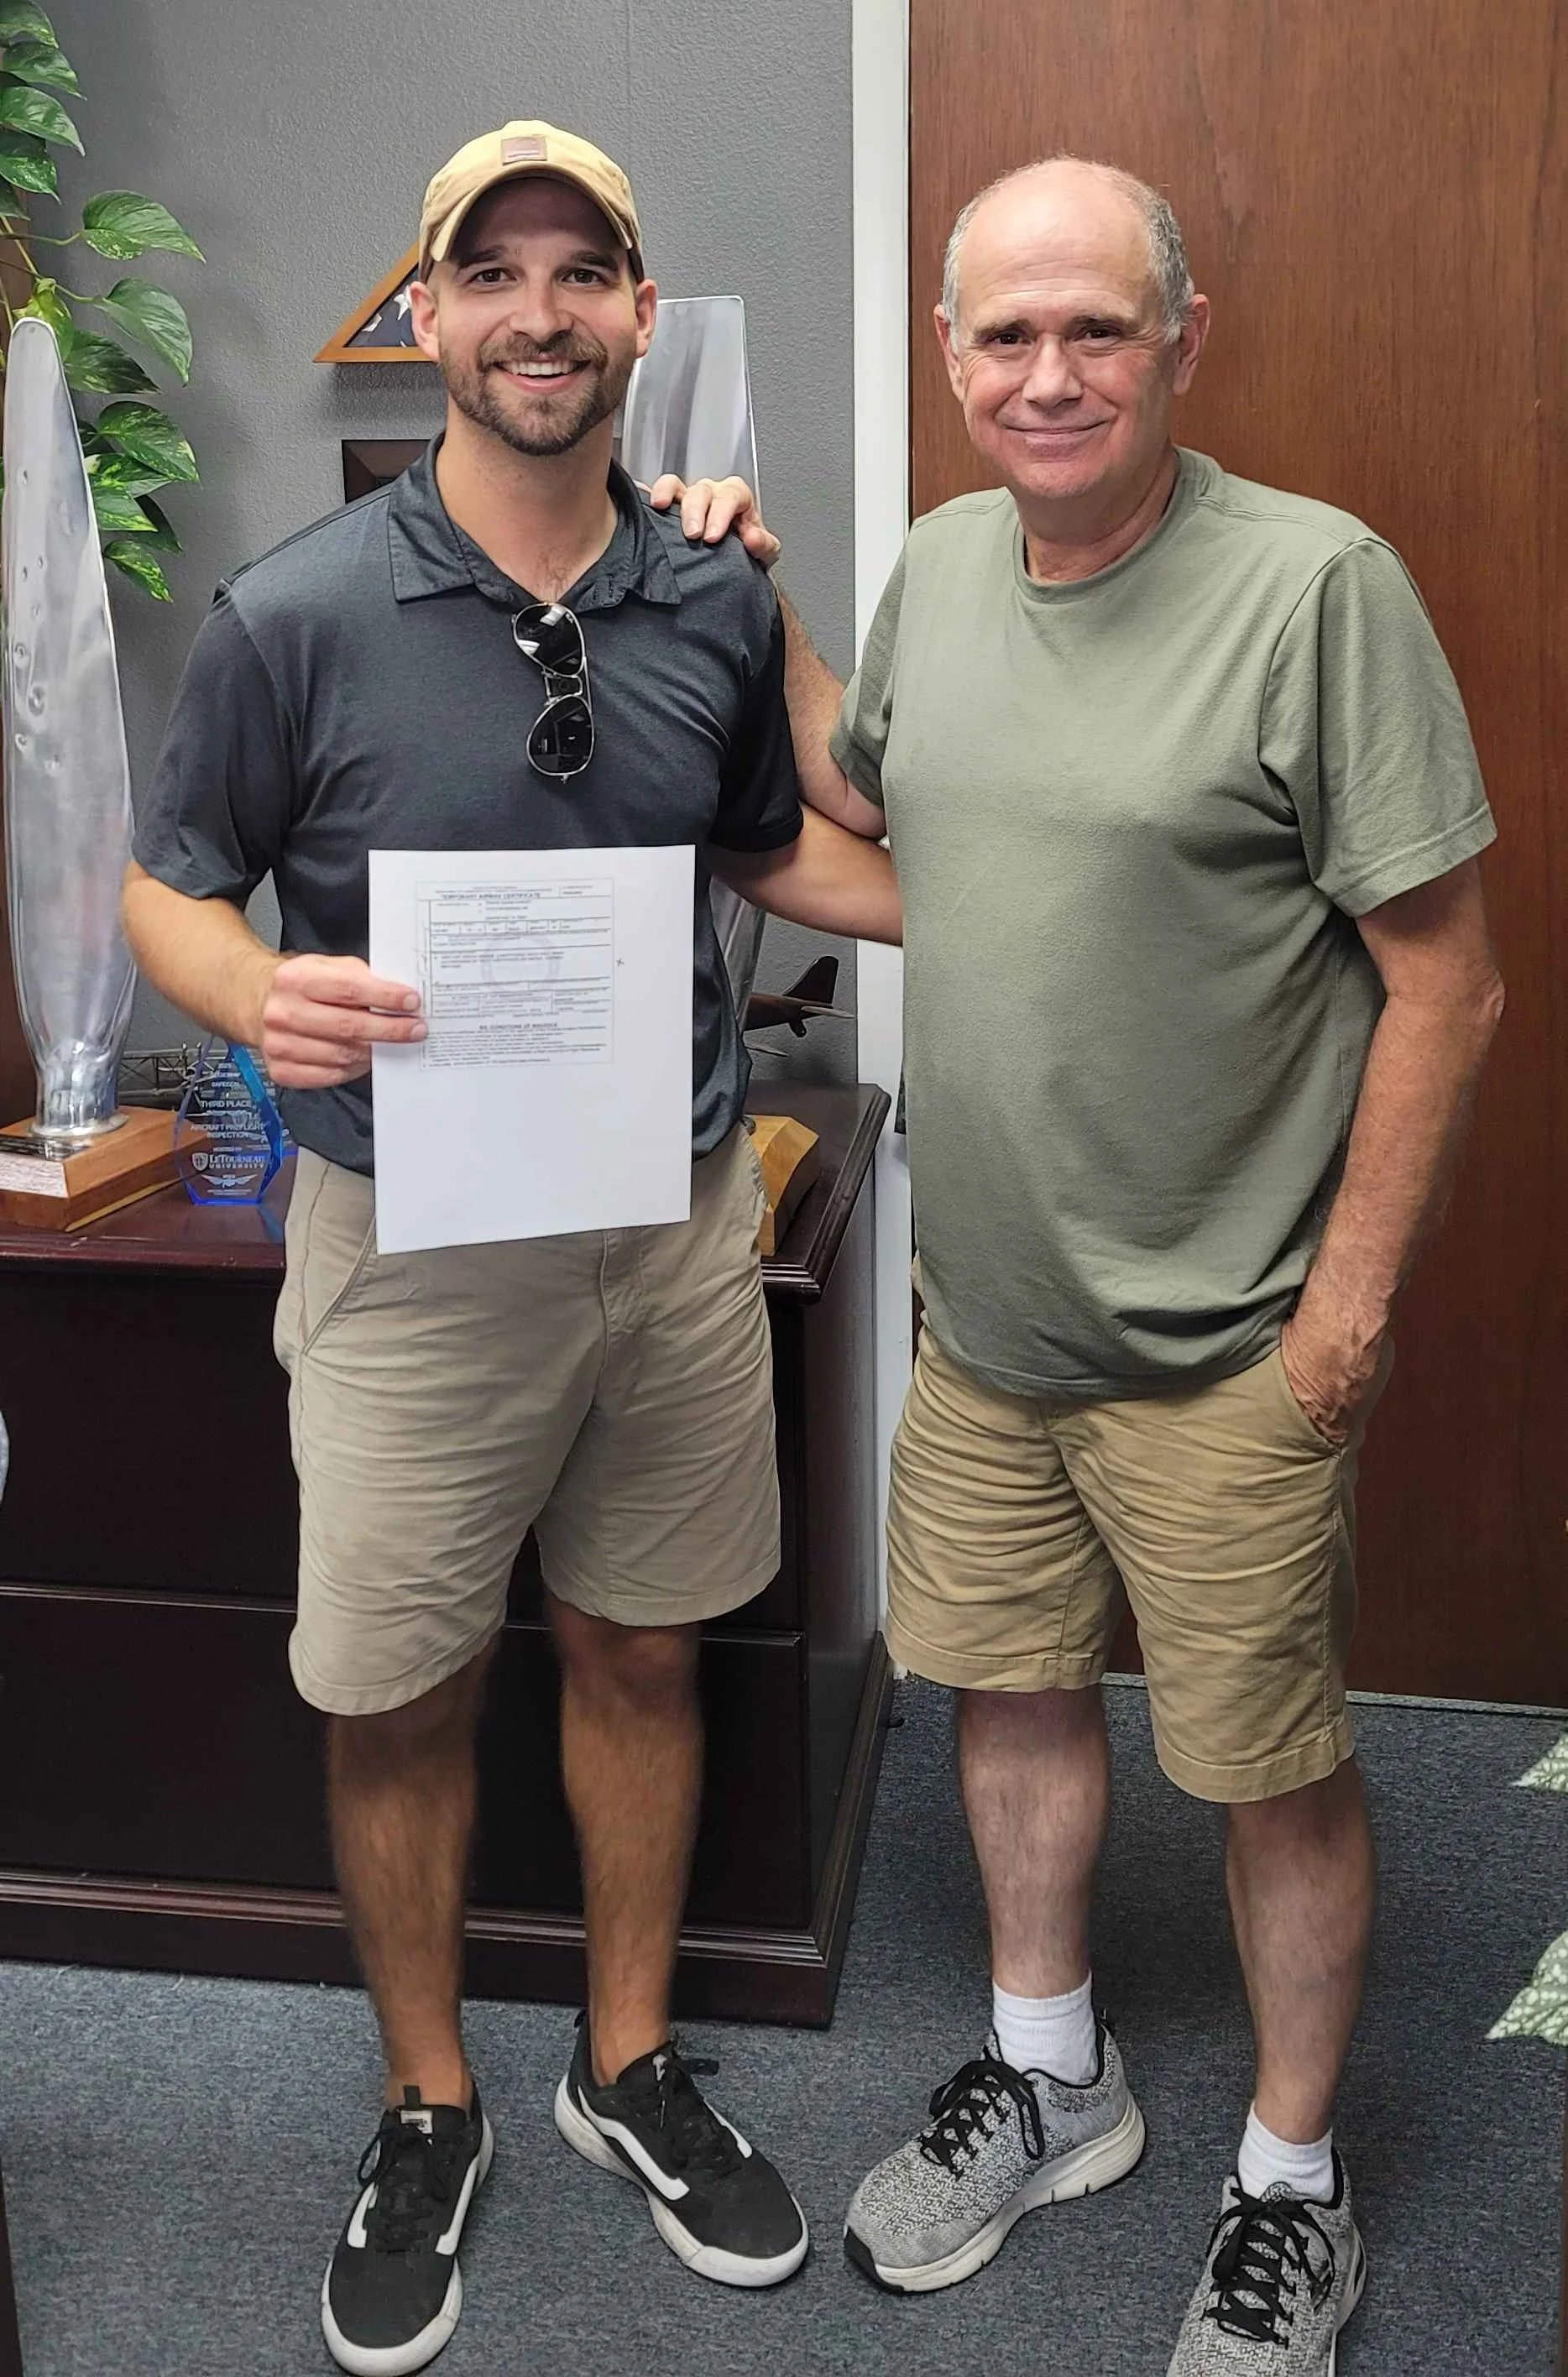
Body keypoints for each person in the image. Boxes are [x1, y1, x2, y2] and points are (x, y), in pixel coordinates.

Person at [668, 154, 1503, 2374]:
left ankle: (1288, 2188)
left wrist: (1344, 1311)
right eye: (1002, 335)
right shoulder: (947, 567)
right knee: (1012, 1706)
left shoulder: (1313, 588)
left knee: (1262, 1770)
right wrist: (742, 637)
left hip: (1230, 1351)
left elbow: (1447, 983)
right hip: (990, 1332)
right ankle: (1059, 2082)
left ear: (1178, 343)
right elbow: (900, 833)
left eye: (1092, 328)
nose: (1046, 373)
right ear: (949, 364)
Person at [123, 119, 902, 2377]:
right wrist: (241, 991)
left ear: (639, 319)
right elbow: (172, 878)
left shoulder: (708, 595)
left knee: (647, 1649)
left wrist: (791, 615)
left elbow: (809, 842)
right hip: (406, 1241)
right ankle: (430, 2092)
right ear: (430, 315)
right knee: (401, 1684)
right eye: (497, 273)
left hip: (661, 1234)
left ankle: (625, 2063)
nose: (543, 313)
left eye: (588, 274)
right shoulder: (296, 612)